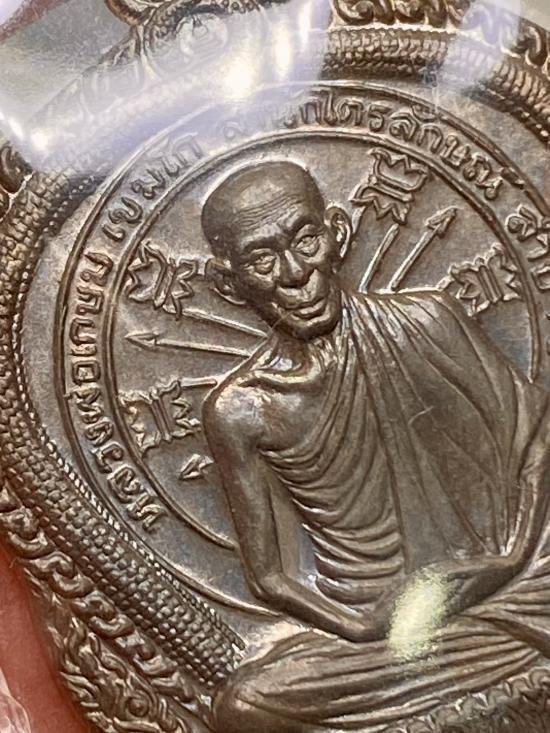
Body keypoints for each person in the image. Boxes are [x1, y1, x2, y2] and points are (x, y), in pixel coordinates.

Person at [200, 161, 550, 732]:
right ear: (228, 283)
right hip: (378, 632)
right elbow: (269, 578)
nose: (295, 274)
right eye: (262, 261)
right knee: (245, 705)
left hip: (505, 583)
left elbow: (539, 437)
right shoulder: (241, 409)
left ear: (336, 234)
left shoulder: (429, 319)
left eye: (305, 241)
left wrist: (510, 560)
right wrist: (362, 628)